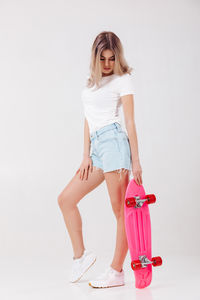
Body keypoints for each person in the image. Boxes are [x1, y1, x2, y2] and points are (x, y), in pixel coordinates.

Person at [57, 31, 142, 288]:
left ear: (118, 57)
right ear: (95, 58)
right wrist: (85, 155)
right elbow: (88, 117)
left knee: (120, 211)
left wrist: (136, 161)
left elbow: (129, 121)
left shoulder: (123, 80)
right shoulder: (91, 81)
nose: (107, 64)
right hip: (97, 149)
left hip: (115, 144)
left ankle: (116, 271)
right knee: (66, 199)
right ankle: (80, 256)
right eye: (102, 58)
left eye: (111, 58)